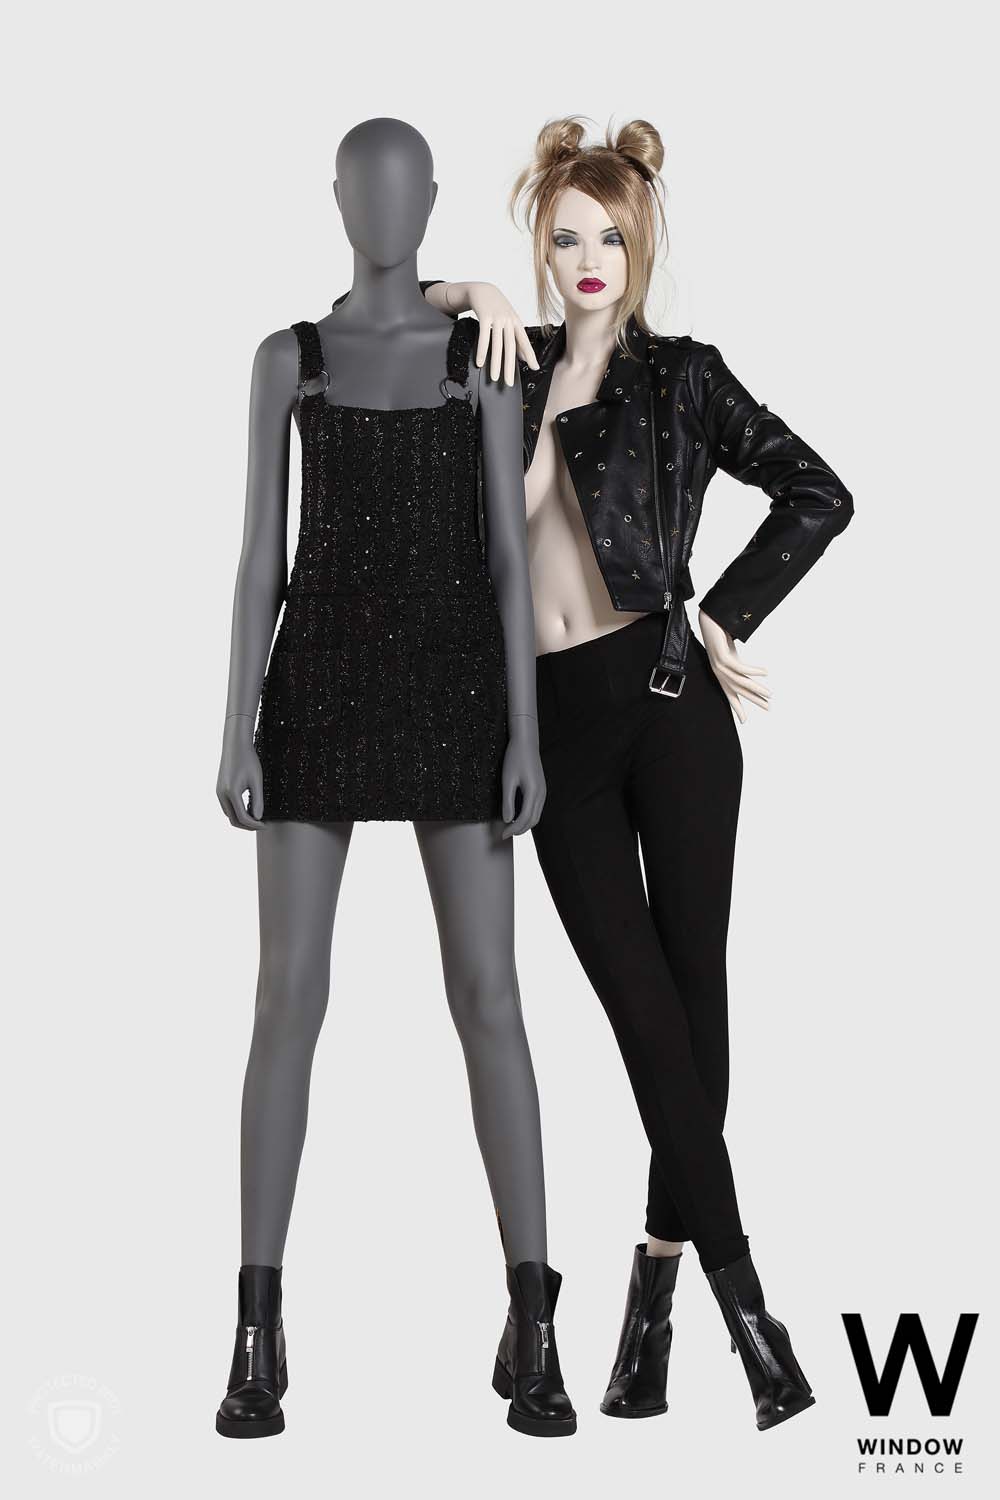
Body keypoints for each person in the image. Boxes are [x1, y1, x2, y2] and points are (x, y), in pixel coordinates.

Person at [416, 114, 853, 1430]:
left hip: (669, 706)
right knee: (643, 1017)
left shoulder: (684, 378)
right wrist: (469, 289)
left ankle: (721, 1311)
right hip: (550, 731)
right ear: (541, 251)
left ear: (642, 241)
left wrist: (726, 614)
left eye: (610, 234)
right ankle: (670, 1307)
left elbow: (818, 492)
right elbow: (384, 309)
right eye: (564, 238)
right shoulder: (500, 365)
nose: (589, 257)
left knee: (688, 1011)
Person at [214, 117, 575, 1440]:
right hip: (315, 687)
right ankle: (257, 1328)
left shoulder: (478, 360)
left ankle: (534, 1320)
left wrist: (524, 730)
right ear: (336, 199)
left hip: (457, 690)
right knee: (287, 998)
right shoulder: (289, 360)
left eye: (403, 186)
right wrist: (236, 724)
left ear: (428, 200)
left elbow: (508, 561)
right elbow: (260, 558)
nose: (380, 205)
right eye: (360, 187)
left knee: (490, 997)